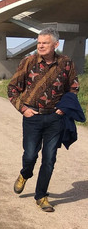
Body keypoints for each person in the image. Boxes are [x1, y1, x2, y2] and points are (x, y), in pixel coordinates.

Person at [7, 28, 80, 212]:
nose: (40, 45)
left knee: (49, 159)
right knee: (30, 155)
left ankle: (41, 196)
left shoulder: (66, 63)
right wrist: (23, 109)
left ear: (56, 45)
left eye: (45, 43)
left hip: (55, 119)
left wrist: (63, 110)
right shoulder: (28, 61)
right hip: (32, 117)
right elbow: (12, 88)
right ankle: (25, 174)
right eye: (39, 42)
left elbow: (74, 87)